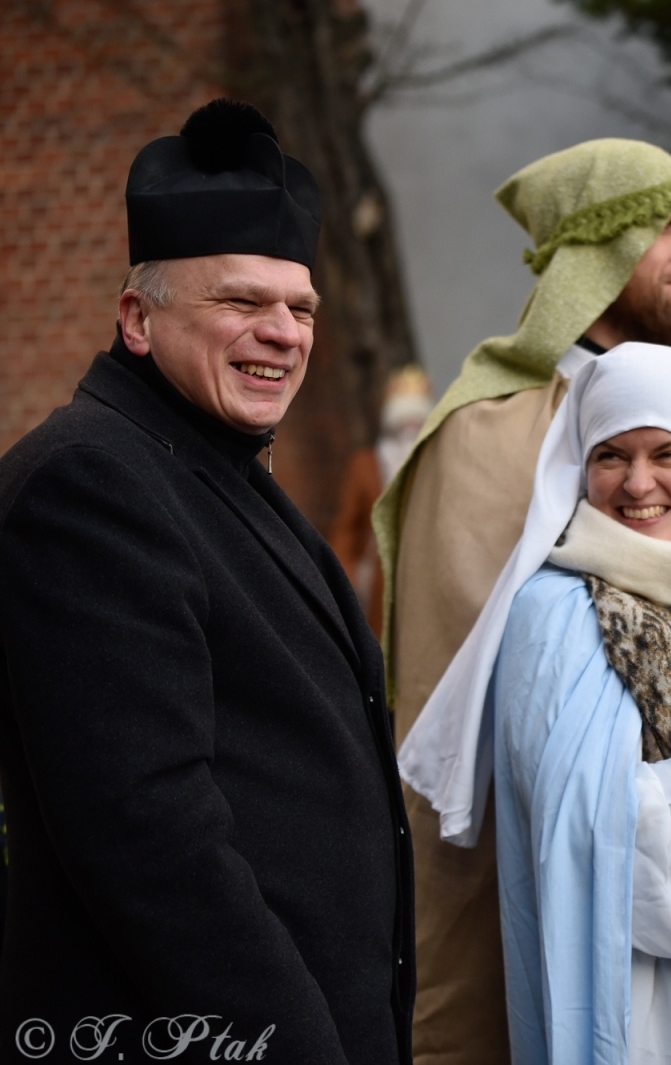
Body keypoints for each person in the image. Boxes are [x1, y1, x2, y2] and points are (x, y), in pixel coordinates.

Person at [0, 99, 413, 1061]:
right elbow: (152, 840)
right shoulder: (89, 483)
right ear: (138, 319)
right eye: (239, 302)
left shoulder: (212, 461)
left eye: (301, 307)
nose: (282, 333)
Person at [372, 139, 671, 1063]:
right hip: (525, 843)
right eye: (668, 224)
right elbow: (450, 695)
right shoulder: (484, 435)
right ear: (603, 249)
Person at [401, 345, 671, 1064]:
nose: (638, 483)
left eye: (668, 452)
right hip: (659, 1013)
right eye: (611, 456)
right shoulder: (556, 615)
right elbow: (596, 838)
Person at [330, 364, 435, 633]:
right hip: (381, 577)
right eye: (405, 420)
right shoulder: (366, 464)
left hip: (431, 568)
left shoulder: (436, 459)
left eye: (417, 420)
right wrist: (348, 577)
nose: (410, 429)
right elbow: (347, 526)